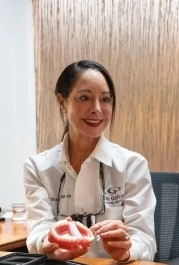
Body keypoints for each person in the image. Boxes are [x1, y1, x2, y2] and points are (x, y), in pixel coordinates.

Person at [23, 60, 157, 262]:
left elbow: (145, 240)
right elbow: (37, 230)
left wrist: (127, 250)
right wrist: (47, 241)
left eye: (105, 99)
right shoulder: (37, 167)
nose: (97, 108)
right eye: (84, 98)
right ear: (62, 101)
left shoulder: (132, 165)